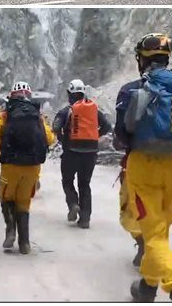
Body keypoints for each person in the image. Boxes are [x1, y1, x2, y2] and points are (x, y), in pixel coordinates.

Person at [115, 34, 172, 303]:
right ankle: (146, 286)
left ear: (142, 60)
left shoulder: (131, 90)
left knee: (153, 231)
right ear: (167, 59)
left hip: (145, 165)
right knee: (161, 229)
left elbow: (122, 135)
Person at [0, 81, 55, 254]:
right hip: (32, 167)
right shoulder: (36, 114)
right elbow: (50, 138)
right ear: (28, 95)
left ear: (12, 96)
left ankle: (10, 230)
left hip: (11, 164)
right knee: (23, 202)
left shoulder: (5, 114)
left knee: (5, 196)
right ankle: (24, 243)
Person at [52, 78, 111, 229]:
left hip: (71, 151)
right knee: (85, 184)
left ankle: (73, 204)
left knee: (67, 181)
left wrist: (63, 138)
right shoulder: (94, 110)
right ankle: (85, 219)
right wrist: (94, 136)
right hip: (90, 152)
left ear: (69, 93)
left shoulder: (67, 111)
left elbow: (56, 126)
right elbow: (107, 126)